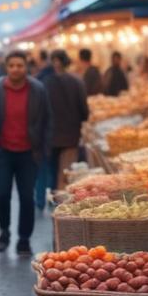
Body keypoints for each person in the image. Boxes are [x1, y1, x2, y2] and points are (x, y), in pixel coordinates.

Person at [0, 51, 51, 256]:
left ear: (26, 67)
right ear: (6, 67)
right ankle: (4, 233)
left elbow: (47, 120)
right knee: (3, 194)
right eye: (12, 66)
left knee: (27, 197)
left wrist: (45, 149)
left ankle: (24, 239)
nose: (16, 69)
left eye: (20, 65)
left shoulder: (38, 89)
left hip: (29, 153)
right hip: (2, 152)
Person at [43, 50, 91, 193]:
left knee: (52, 168)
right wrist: (82, 119)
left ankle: (52, 195)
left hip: (51, 133)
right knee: (67, 170)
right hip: (71, 133)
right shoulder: (76, 81)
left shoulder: (45, 83)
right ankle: (62, 200)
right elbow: (84, 109)